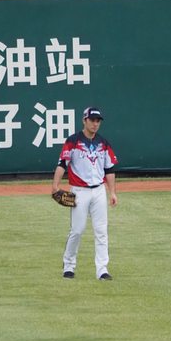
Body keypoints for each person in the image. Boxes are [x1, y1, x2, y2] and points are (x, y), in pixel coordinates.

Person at [51, 107, 118, 281]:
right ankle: (68, 265)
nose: (95, 124)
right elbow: (62, 164)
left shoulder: (104, 143)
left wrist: (112, 192)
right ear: (84, 120)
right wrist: (55, 185)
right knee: (77, 230)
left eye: (98, 121)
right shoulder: (73, 141)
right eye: (92, 120)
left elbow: (109, 169)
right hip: (79, 191)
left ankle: (102, 269)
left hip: (99, 191)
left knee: (101, 231)